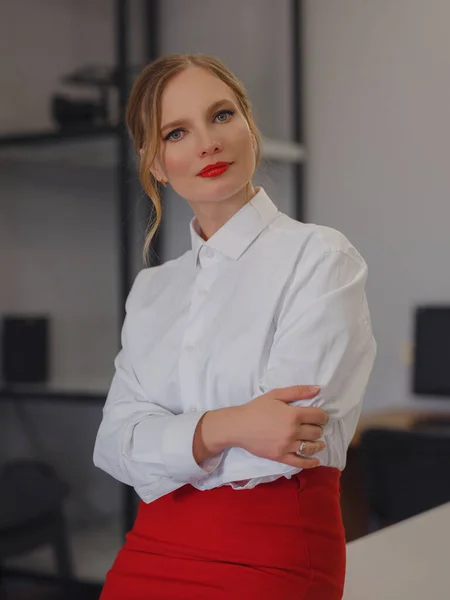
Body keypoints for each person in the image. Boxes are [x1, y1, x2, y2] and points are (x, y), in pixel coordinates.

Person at [93, 53, 376, 600]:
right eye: (177, 132)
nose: (207, 143)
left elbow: (291, 437)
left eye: (221, 116)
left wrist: (170, 441)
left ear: (249, 125)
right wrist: (230, 426)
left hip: (274, 553)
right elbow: (113, 446)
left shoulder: (320, 256)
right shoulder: (152, 292)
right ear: (155, 163)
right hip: (152, 548)